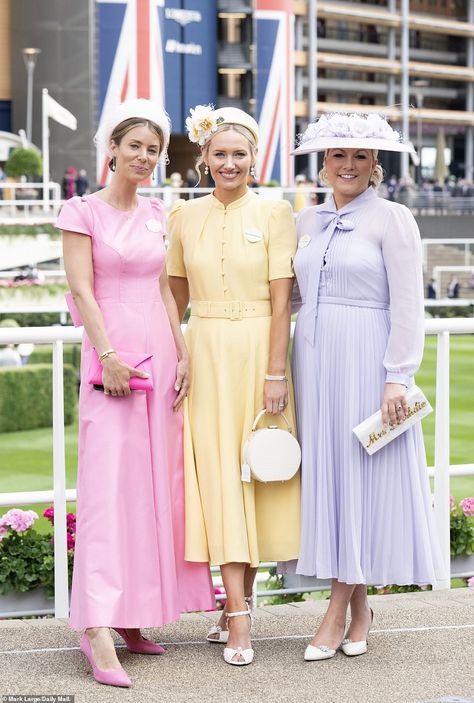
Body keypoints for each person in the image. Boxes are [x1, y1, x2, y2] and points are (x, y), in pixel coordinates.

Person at [56, 98, 215, 688]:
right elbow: (82, 292)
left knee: (154, 490)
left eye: (153, 149)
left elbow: (169, 293)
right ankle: (95, 626)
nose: (144, 157)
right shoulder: (81, 212)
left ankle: (132, 616)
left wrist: (184, 353)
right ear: (112, 149)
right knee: (105, 490)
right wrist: (109, 357)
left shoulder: (158, 215)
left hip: (161, 352)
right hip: (112, 360)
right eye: (135, 147)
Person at [291, 112, 443, 662]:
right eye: (338, 156)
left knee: (358, 477)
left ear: (375, 164)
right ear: (324, 163)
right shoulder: (305, 222)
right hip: (312, 361)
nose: (348, 165)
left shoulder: (393, 218)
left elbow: (408, 303)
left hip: (366, 361)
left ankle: (335, 613)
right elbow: (293, 296)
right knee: (329, 479)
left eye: (359, 156)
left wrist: (397, 375)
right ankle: (360, 611)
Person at [167, 105, 300, 666]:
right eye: (218, 154)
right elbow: (172, 301)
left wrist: (276, 373)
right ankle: (238, 613)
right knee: (218, 477)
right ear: (204, 158)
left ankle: (237, 608)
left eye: (238, 154)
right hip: (203, 354)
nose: (229, 163)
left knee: (256, 475)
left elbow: (280, 306)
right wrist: (177, 355)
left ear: (254, 159)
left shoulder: (276, 214)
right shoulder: (180, 217)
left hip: (258, 355)